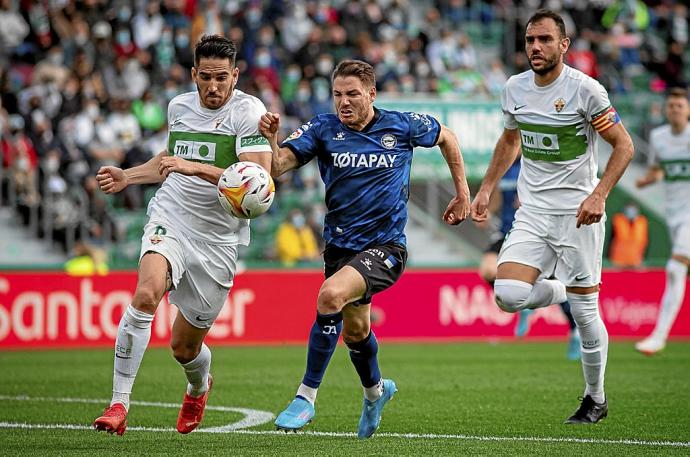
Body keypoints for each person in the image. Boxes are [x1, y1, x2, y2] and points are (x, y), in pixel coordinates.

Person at [259, 59, 471, 438]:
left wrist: (462, 193)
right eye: (338, 94)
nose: (344, 102)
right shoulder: (323, 129)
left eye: (353, 94)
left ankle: (305, 397)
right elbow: (277, 166)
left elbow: (447, 137)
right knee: (355, 331)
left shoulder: (402, 125)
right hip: (341, 248)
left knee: (329, 296)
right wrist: (273, 139)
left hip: (387, 247)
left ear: (371, 94)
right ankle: (375, 393)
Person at [92, 35, 272, 436]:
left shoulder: (248, 111)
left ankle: (198, 385)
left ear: (235, 75)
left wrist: (195, 167)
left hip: (218, 240)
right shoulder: (178, 107)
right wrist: (129, 175)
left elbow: (261, 178)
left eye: (221, 78)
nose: (212, 87)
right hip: (171, 216)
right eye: (205, 77)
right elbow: (168, 162)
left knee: (183, 348)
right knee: (146, 293)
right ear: (193, 74)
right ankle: (119, 404)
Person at [470, 10, 634, 424]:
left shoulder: (585, 91)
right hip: (533, 210)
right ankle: (564, 289)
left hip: (579, 214)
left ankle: (594, 399)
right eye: (530, 40)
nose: (536, 48)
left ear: (564, 45)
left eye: (544, 39)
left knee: (585, 314)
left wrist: (599, 194)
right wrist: (486, 188)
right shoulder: (515, 88)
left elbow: (624, 146)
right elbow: (511, 140)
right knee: (507, 294)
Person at [477, 158, 581, 360]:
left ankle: (575, 330)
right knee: (488, 270)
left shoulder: (534, 164)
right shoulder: (504, 166)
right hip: (506, 233)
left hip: (534, 234)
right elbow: (498, 199)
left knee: (550, 281)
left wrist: (532, 200)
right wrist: (486, 211)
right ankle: (525, 305)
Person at [635, 87, 690, 355]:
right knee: (679, 270)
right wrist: (647, 180)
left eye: (680, 106)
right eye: (671, 106)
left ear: (688, 110)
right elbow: (657, 170)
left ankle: (659, 335)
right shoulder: (659, 137)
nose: (675, 110)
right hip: (673, 213)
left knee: (674, 268)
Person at [609, 201, 648, 268]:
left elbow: (645, 241)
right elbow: (611, 239)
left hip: (636, 261)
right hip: (618, 261)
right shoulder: (618, 220)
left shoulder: (642, 222)